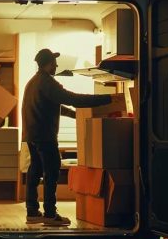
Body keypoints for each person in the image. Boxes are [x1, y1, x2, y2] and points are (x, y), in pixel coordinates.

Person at [22, 49, 118, 226]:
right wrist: (107, 99)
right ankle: (50, 214)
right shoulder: (48, 82)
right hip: (44, 134)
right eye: (54, 62)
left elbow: (54, 104)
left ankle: (32, 212)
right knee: (52, 170)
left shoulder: (34, 82)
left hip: (32, 133)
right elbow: (71, 98)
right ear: (48, 64)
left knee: (35, 169)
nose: (56, 66)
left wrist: (76, 116)